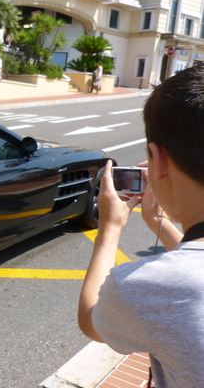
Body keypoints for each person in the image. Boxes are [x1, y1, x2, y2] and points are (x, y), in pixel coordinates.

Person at [78, 65, 204, 388]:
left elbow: (91, 318)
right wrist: (154, 220)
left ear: (157, 160)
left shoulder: (152, 287)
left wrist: (108, 230)